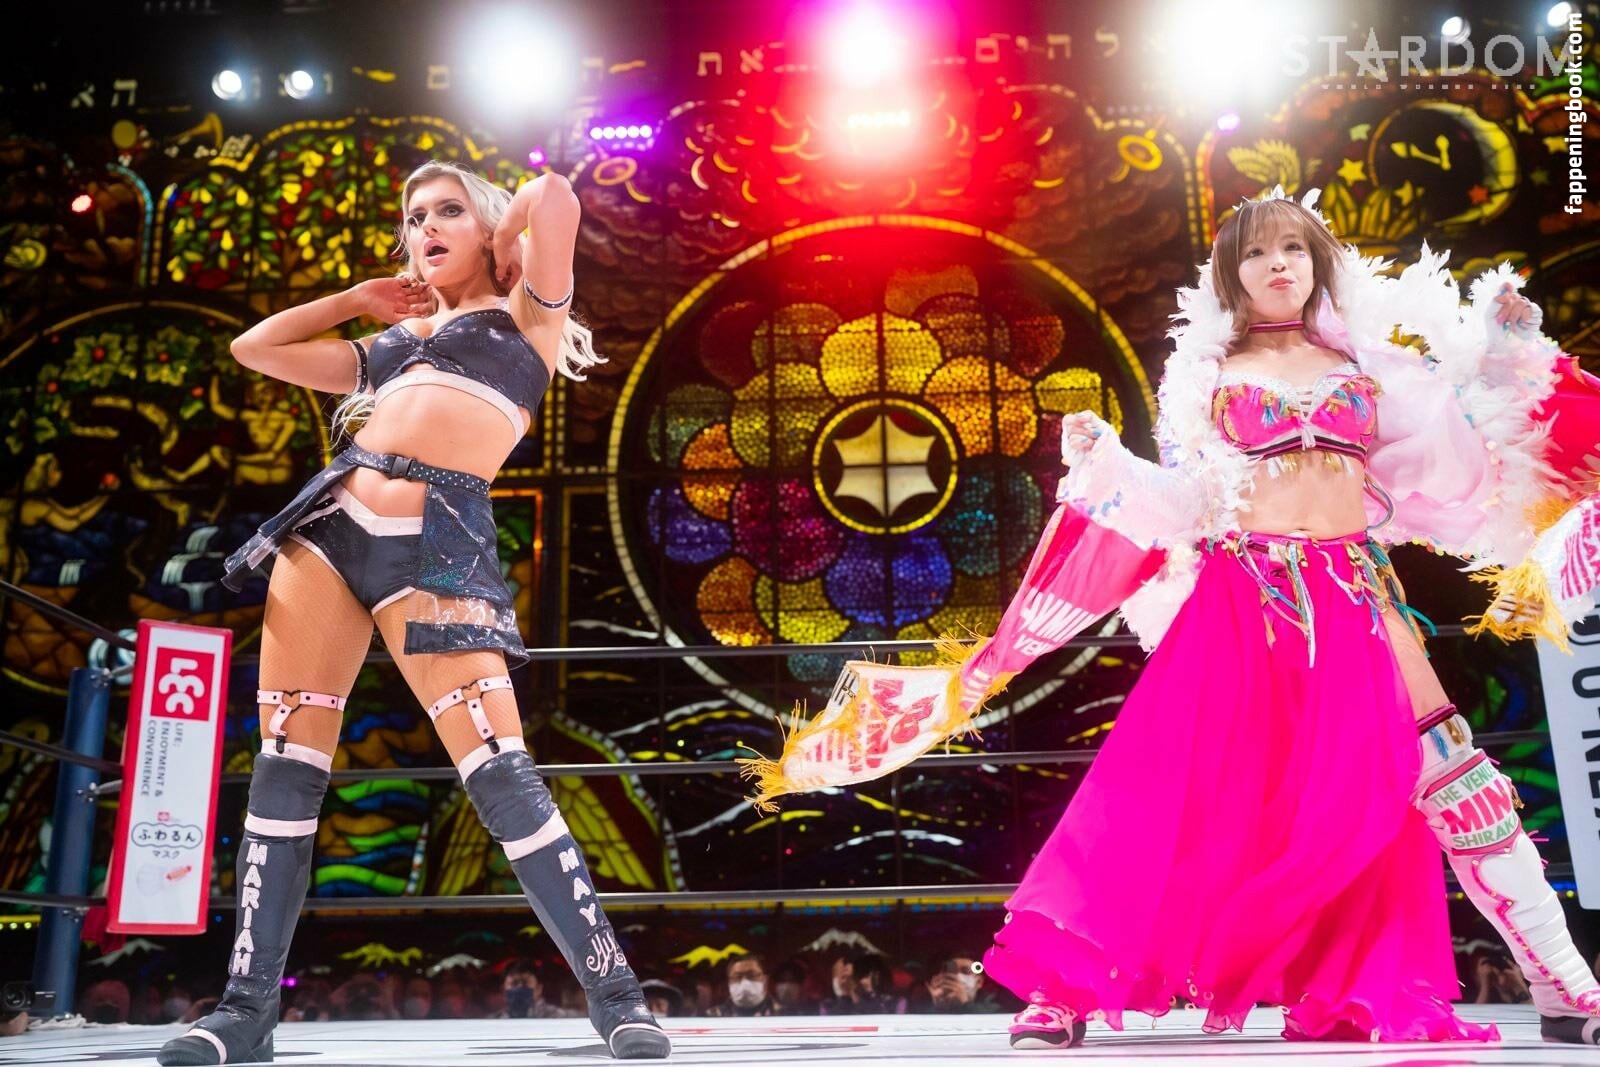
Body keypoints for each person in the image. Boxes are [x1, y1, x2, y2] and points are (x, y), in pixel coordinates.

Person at [985, 188, 1600, 1050]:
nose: (1278, 264)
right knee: (1167, 794)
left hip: (1357, 595)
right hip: (1244, 601)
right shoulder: (1204, 373)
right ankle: (1066, 989)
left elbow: (1465, 458)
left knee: (1458, 780)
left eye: (1294, 248)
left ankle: (1565, 983)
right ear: (1229, 276)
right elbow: (1192, 502)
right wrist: (1110, 466)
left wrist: (1506, 356)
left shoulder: (1369, 363)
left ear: (1319, 263)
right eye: (1256, 252)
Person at [156, 160, 668, 1064]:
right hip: (326, 530)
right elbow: (254, 347)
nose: (423, 226)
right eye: (413, 216)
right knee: (284, 764)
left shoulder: (530, 314)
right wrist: (357, 298)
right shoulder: (390, 345)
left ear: (487, 226)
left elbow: (554, 196)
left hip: (439, 537)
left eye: (445, 211)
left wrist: (503, 237)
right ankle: (245, 1011)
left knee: (499, 767)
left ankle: (618, 996)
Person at [494, 959, 576, 1019]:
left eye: (525, 982)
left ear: (539, 988)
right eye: (514, 983)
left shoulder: (560, 1018)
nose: (520, 987)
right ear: (503, 990)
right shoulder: (494, 1021)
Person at [706, 954, 782, 1017]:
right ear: (729, 982)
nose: (745, 982)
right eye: (737, 977)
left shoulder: (783, 1014)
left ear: (765, 980)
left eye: (751, 975)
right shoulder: (712, 1016)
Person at [925, 952, 1001, 1014]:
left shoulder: (995, 1008)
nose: (957, 976)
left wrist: (965, 1004)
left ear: (979, 981)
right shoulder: (928, 1004)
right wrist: (939, 1007)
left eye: (965, 971)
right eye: (952, 971)